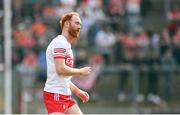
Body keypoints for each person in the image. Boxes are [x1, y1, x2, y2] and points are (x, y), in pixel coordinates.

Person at [43, 12, 92, 114]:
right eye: (77, 23)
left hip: (65, 95)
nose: (79, 27)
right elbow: (60, 70)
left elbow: (64, 78)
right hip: (55, 95)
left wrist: (77, 91)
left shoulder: (66, 45)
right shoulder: (59, 42)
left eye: (80, 25)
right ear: (67, 24)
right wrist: (80, 72)